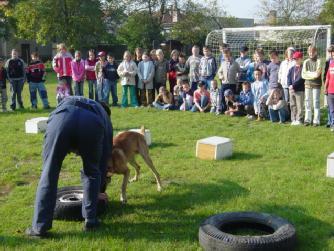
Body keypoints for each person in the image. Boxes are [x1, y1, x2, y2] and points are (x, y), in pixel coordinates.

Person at [25, 96, 113, 237]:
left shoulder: (76, 100)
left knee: (49, 171)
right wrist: (99, 190)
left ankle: (39, 228)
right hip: (91, 124)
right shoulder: (105, 118)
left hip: (61, 118)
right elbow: (103, 159)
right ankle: (90, 221)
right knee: (92, 172)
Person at [302, 45, 322, 126]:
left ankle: (316, 121)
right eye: (309, 52)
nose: (311, 53)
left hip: (316, 85)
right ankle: (307, 120)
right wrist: (312, 74)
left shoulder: (319, 61)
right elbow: (303, 75)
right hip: (307, 84)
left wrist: (309, 74)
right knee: (307, 102)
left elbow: (317, 74)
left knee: (316, 102)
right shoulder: (306, 61)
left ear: (315, 52)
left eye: (312, 52)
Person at [287, 51, 305, 126]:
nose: (296, 60)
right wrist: (289, 85)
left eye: (297, 59)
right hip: (291, 89)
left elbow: (301, 78)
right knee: (292, 104)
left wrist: (293, 86)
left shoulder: (303, 68)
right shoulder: (291, 69)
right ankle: (293, 119)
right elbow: (288, 77)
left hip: (299, 90)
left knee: (299, 105)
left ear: (301, 59)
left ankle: (299, 119)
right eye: (295, 59)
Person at [324, 45, 334, 132]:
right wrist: (325, 87)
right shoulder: (329, 62)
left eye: (332, 52)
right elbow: (327, 76)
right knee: (331, 108)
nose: (331, 54)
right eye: (330, 52)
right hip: (330, 89)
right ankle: (331, 123)